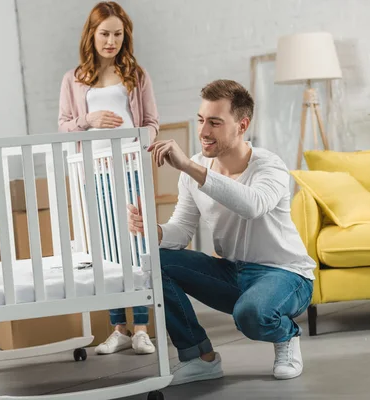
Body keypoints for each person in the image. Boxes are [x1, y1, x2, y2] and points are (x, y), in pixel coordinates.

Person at [128, 79, 316, 385]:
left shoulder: (270, 166)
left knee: (252, 315)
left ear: (242, 125)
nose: (203, 132)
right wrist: (154, 230)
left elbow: (253, 205)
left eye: (215, 123)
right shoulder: (196, 169)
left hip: (285, 275)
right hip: (232, 272)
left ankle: (287, 335)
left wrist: (190, 167)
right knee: (156, 260)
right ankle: (199, 357)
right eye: (201, 120)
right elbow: (183, 229)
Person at [58, 1, 159, 356]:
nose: (111, 41)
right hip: (93, 175)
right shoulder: (74, 79)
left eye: (118, 34)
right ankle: (119, 327)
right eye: (105, 34)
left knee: (136, 247)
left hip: (130, 170)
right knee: (106, 250)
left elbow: (152, 124)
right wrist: (89, 121)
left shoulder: (137, 75)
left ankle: (143, 327)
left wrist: (135, 140)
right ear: (92, 34)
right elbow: (64, 127)